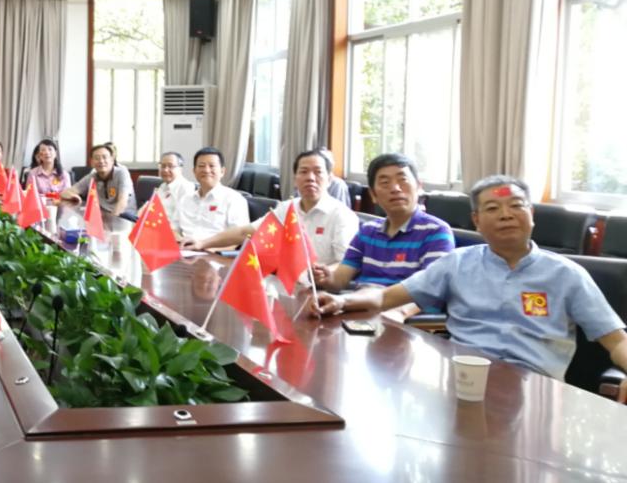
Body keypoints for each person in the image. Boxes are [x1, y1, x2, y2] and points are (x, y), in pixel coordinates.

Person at [306, 175, 627, 403]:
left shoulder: (567, 274)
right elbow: (385, 297)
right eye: (492, 208)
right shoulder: (457, 264)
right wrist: (340, 301)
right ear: (476, 220)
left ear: (531, 214)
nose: (506, 215)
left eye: (516, 206)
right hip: (465, 384)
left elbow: (616, 340)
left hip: (535, 391)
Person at [184, 149, 358, 267]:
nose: (310, 178)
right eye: (304, 172)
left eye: (318, 172)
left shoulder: (342, 216)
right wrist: (202, 243)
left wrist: (325, 274)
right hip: (283, 285)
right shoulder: (287, 208)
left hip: (320, 290)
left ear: (330, 179)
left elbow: (347, 265)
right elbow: (245, 232)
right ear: (295, 179)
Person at [314, 152, 454, 292]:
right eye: (385, 183)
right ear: (373, 195)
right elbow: (339, 281)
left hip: (401, 306)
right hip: (358, 301)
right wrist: (324, 278)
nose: (395, 188)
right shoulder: (367, 231)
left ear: (418, 187)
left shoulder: (436, 231)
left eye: (402, 180)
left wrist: (374, 298)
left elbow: (429, 290)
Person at [172, 147, 248, 242]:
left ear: (222, 171)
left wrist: (204, 247)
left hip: (215, 249)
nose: (206, 170)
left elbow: (239, 238)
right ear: (194, 171)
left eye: (212, 166)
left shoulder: (234, 199)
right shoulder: (185, 199)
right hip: (184, 248)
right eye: (201, 166)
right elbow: (173, 229)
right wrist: (182, 242)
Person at [61, 143, 136, 215]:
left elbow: (122, 202)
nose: (101, 161)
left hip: (124, 216)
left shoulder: (122, 173)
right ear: (92, 162)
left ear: (112, 160)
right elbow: (64, 193)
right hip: (104, 215)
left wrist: (111, 219)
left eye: (104, 157)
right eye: (97, 158)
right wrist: (74, 196)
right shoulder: (92, 177)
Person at [145, 151, 194, 222]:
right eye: (163, 166)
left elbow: (180, 221)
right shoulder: (163, 186)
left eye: (170, 166)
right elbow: (150, 208)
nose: (165, 170)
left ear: (180, 169)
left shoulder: (186, 188)